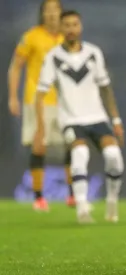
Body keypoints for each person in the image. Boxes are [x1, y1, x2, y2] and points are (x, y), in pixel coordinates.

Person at [34, 10, 124, 224]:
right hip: (71, 119)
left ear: (80, 27)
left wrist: (116, 120)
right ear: (61, 29)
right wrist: (41, 127)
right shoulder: (53, 57)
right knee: (80, 153)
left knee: (113, 155)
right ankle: (82, 207)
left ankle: (112, 201)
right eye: (66, 25)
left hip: (97, 117)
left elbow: (105, 88)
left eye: (74, 24)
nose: (71, 29)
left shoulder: (93, 53)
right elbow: (40, 93)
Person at [7, 0, 74, 211]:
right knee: (39, 145)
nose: (52, 14)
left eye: (56, 10)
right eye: (48, 11)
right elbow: (16, 67)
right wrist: (12, 97)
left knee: (71, 144)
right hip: (38, 100)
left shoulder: (67, 38)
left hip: (65, 101)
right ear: (42, 14)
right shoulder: (31, 37)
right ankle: (38, 197)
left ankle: (73, 195)